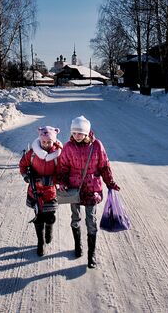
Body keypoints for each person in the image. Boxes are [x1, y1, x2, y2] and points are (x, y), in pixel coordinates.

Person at [58, 115, 120, 269]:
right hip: (74, 189)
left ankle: (91, 254)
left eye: (80, 133)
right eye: (74, 133)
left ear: (86, 133)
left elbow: (105, 166)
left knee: (91, 221)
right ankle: (78, 246)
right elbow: (63, 168)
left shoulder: (97, 146)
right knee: (75, 217)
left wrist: (110, 183)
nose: (76, 136)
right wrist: (62, 182)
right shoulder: (68, 147)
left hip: (92, 188)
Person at [19, 125, 63, 256]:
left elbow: (62, 172)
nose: (46, 144)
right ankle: (40, 242)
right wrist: (26, 175)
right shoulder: (32, 153)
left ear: (54, 141)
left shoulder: (58, 155)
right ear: (40, 140)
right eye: (44, 141)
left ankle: (49, 228)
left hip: (50, 191)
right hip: (35, 191)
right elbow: (22, 164)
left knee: (50, 216)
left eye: (49, 141)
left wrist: (53, 180)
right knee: (38, 217)